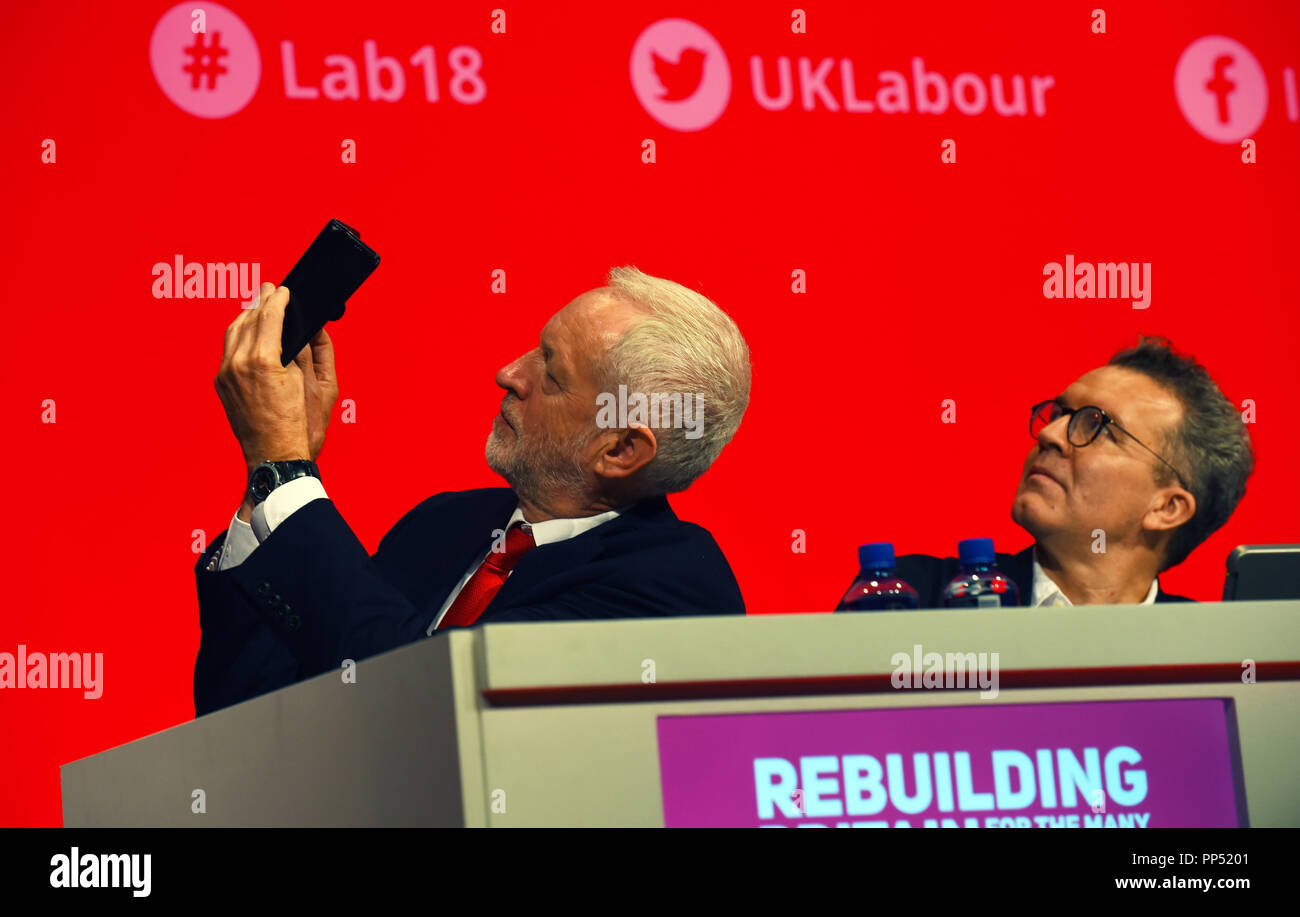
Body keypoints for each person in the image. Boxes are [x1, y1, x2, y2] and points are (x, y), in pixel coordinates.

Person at [195, 266, 751, 715]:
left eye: (551, 375)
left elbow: (425, 702)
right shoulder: (442, 524)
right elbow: (251, 714)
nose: (509, 373)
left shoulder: (674, 593)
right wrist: (264, 487)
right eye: (536, 349)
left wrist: (286, 469)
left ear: (620, 450)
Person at [837, 338, 1254, 609]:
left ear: (1167, 507)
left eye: (1096, 425)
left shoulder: (1210, 649)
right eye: (1059, 414)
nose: (1051, 435)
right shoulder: (911, 597)